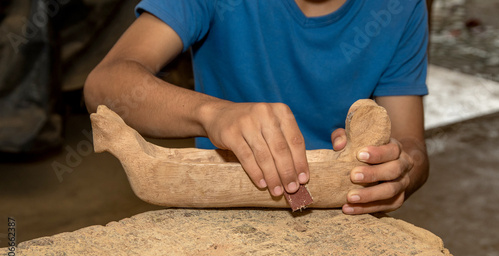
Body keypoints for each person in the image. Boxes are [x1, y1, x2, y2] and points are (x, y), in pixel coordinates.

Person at [84, 0, 430, 215]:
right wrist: (213, 113)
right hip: (223, 208)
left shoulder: (400, 6)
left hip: (342, 213)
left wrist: (401, 170)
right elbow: (105, 85)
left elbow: (411, 144)